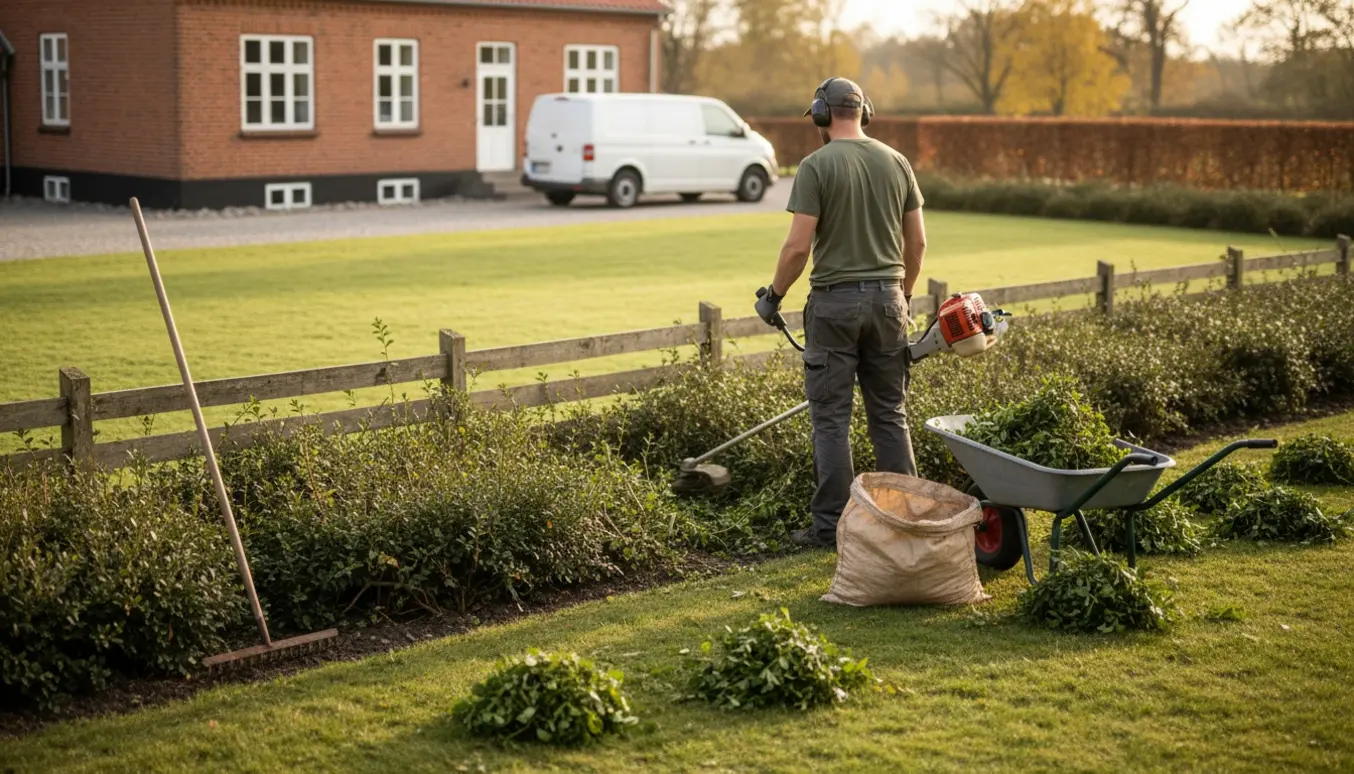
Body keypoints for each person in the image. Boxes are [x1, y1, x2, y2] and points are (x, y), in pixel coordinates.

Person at [754, 76, 928, 549]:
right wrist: (903, 295)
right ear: (863, 112)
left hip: (834, 305)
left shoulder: (816, 166)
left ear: (821, 114)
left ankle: (831, 526)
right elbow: (917, 244)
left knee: (831, 418)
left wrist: (773, 296)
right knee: (889, 414)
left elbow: (797, 248)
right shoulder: (897, 161)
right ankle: (904, 519)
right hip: (890, 302)